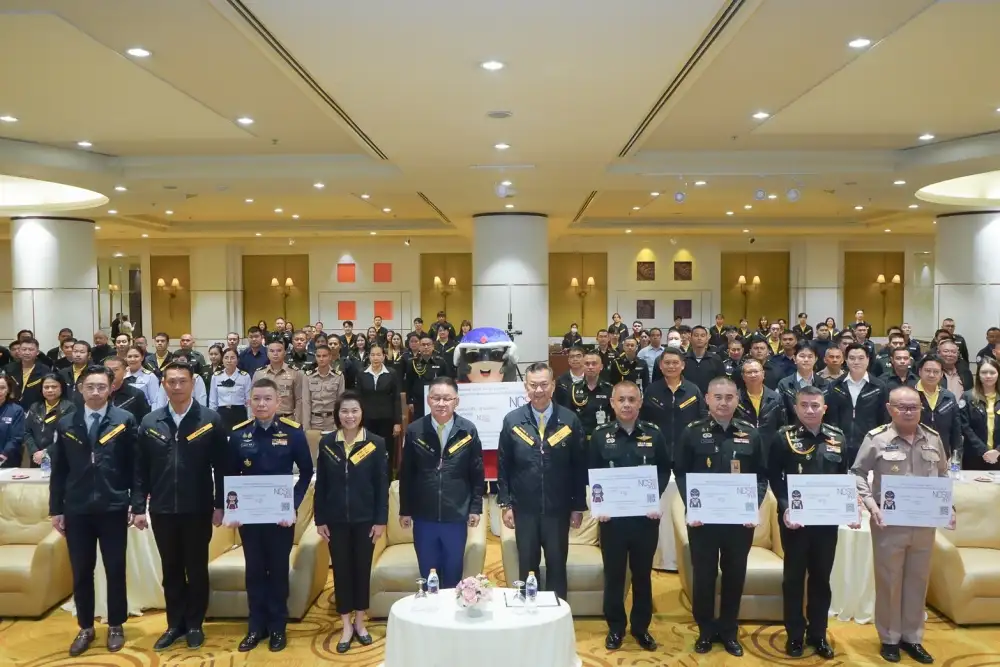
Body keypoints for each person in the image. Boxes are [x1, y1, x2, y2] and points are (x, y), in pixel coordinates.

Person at [852, 386, 954, 664]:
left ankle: (913, 637)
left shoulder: (933, 438)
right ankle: (889, 638)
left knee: (918, 581)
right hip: (889, 523)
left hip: (924, 524)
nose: (908, 412)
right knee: (889, 581)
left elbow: (942, 475)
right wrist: (871, 505)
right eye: (902, 407)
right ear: (890, 409)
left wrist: (948, 507)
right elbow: (858, 473)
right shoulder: (876, 439)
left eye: (914, 407)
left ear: (921, 408)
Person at [133, 361, 227, 651]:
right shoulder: (150, 422)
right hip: (162, 509)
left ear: (193, 383)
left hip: (198, 508)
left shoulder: (209, 419)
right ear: (163, 384)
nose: (177, 387)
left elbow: (222, 467)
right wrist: (138, 506)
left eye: (182, 381)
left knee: (196, 569)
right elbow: (140, 469)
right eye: (171, 381)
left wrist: (220, 504)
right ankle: (175, 624)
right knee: (171, 569)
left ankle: (195, 624)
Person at [48, 365, 139, 656]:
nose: (96, 392)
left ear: (111, 388)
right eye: (90, 387)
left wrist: (136, 503)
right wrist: (56, 509)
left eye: (101, 387)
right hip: (77, 509)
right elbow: (59, 471)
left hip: (113, 506)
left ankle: (116, 624)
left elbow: (135, 466)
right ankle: (85, 626)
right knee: (81, 571)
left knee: (115, 568)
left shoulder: (124, 420)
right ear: (80, 389)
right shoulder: (66, 422)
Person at [675, 376, 768, 657]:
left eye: (729, 397)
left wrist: (753, 507)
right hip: (703, 521)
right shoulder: (691, 432)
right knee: (703, 576)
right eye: (718, 397)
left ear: (737, 399)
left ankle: (729, 630)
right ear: (707, 399)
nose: (723, 403)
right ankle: (705, 630)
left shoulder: (750, 433)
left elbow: (761, 476)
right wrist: (692, 506)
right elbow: (681, 473)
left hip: (739, 522)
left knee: (734, 575)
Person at [226, 378, 314, 652]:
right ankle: (256, 627)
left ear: (278, 402)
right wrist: (233, 509)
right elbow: (231, 475)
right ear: (249, 402)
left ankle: (277, 627)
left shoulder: (293, 433)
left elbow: (306, 473)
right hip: (250, 519)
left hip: (280, 519)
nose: (261, 404)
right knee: (254, 572)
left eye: (267, 399)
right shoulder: (238, 434)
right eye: (257, 399)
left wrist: (292, 505)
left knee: (277, 572)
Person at [767, 386, 852, 658]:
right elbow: (774, 476)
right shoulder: (783, 437)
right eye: (804, 405)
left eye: (815, 405)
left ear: (824, 408)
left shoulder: (837, 437)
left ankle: (818, 634)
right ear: (796, 408)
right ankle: (794, 635)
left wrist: (849, 509)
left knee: (821, 578)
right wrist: (785, 507)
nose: (810, 410)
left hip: (826, 524)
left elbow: (843, 477)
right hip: (795, 522)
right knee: (793, 578)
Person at [588, 381, 670, 651]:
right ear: (612, 403)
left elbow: (663, 470)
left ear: (640, 403)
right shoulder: (600, 435)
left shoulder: (654, 434)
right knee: (614, 576)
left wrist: (653, 497)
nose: (626, 405)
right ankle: (615, 627)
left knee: (643, 576)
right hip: (612, 521)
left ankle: (641, 627)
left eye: (632, 400)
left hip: (645, 520)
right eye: (621, 400)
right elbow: (593, 474)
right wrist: (600, 506)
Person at [497, 362, 586, 603]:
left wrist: (578, 506)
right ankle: (529, 612)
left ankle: (557, 614)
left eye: (544, 384)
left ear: (553, 386)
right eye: (533, 385)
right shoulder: (513, 420)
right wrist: (506, 504)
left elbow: (579, 467)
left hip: (558, 509)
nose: (539, 390)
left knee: (557, 565)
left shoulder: (570, 420)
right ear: (526, 387)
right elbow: (504, 466)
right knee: (527, 566)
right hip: (524, 509)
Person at [315, 391, 389, 653]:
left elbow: (382, 485)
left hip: (365, 520)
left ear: (362, 413)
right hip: (335, 521)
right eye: (344, 411)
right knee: (342, 572)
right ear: (338, 414)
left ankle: (360, 621)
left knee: (362, 569)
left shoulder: (375, 443)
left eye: (354, 410)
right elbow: (321, 484)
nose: (349, 416)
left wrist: (381, 520)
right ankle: (346, 624)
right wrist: (320, 519)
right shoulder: (327, 443)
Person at [398, 377, 484, 589]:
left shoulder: (468, 431)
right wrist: (405, 510)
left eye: (447, 398)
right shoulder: (415, 430)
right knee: (428, 575)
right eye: (436, 398)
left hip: (456, 515)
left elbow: (476, 473)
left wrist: (475, 508)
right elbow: (406, 474)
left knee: (453, 573)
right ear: (428, 400)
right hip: (424, 516)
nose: (441, 403)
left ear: (456, 401)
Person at [826, 343, 889, 465]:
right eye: (852, 358)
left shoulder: (879, 387)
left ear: (868, 360)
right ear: (846, 360)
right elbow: (830, 417)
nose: (856, 362)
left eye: (861, 358)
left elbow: (884, 418)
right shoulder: (835, 386)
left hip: (870, 443)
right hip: (839, 443)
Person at [354, 344, 402, 470]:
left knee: (386, 451)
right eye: (373, 355)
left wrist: (397, 422)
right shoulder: (362, 373)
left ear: (384, 356)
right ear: (369, 357)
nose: (375, 358)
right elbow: (358, 399)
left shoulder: (391, 373)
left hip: (387, 420)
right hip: (367, 420)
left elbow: (396, 399)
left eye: (378, 355)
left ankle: (387, 478)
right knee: (366, 451)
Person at [24, 373, 75, 467]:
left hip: (60, 459)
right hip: (37, 459)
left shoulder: (69, 408)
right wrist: (34, 451)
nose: (50, 390)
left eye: (54, 387)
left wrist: (46, 452)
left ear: (62, 388)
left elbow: (68, 436)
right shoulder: (34, 407)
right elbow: (27, 432)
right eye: (46, 387)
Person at [959, 356, 1000, 471]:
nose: (988, 376)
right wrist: (984, 451)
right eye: (984, 372)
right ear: (978, 375)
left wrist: (997, 451)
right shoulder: (967, 397)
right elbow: (964, 427)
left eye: (992, 372)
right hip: (974, 456)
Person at [251, 341, 302, 422]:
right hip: (264, 419)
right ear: (267, 354)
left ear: (284, 353)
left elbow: (299, 400)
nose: (275, 354)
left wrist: (298, 422)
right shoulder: (259, 374)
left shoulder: (295, 373)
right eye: (272, 351)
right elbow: (253, 398)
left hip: (287, 419)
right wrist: (253, 418)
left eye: (279, 350)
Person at [402, 334, 448, 421]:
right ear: (419, 347)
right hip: (418, 401)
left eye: (428, 345)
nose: (426, 347)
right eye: (423, 345)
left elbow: (446, 381)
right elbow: (408, 383)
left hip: (437, 400)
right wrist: (410, 401)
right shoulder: (412, 363)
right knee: (419, 424)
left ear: (433, 347)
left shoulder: (440, 362)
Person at [302, 344, 346, 432]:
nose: (321, 359)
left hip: (332, 421)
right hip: (314, 421)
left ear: (330, 357)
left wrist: (339, 423)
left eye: (324, 356)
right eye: (318, 356)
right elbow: (306, 403)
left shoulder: (338, 376)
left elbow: (341, 402)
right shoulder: (308, 376)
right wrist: (306, 427)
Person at [209, 348, 252, 430]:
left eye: (232, 358)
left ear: (237, 360)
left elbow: (248, 400)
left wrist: (250, 418)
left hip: (239, 413)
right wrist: (212, 419)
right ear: (222, 360)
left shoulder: (245, 376)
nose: (229, 361)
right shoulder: (216, 376)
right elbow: (213, 401)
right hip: (222, 413)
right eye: (226, 358)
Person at [3, 337, 50, 408]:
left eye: (31, 350)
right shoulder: (8, 368)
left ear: (37, 352)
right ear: (19, 351)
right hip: (12, 407)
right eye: (24, 349)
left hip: (36, 408)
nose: (27, 353)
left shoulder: (45, 370)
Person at [0, 375, 26, 468]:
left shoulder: (16, 410)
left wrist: (3, 455)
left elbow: (16, 438)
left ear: (8, 390)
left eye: (2, 388)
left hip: (8, 459)